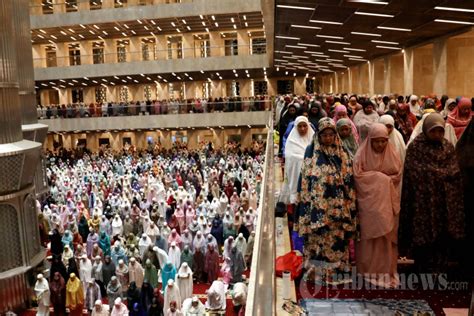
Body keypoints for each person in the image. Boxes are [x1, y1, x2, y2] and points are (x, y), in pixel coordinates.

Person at [399, 113, 465, 273]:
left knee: (442, 236)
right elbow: (413, 171)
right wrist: (438, 174)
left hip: (443, 201)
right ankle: (422, 267)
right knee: (423, 237)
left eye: (440, 131)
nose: (437, 135)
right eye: (433, 131)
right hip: (423, 203)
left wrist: (436, 174)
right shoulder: (416, 147)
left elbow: (454, 170)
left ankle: (440, 267)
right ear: (426, 130)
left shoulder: (447, 147)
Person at [295, 118, 357, 285]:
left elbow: (350, 177)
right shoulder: (311, 151)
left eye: (331, 135)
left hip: (339, 207)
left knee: (337, 239)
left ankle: (337, 272)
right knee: (319, 240)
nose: (328, 138)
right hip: (318, 208)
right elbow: (305, 180)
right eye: (325, 135)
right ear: (319, 136)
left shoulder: (342, 152)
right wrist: (306, 205)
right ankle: (317, 273)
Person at [354, 123, 402, 288]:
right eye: (376, 141)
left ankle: (386, 270)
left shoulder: (393, 154)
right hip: (368, 206)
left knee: (385, 239)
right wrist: (381, 178)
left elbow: (397, 175)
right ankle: (367, 270)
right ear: (370, 141)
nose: (380, 145)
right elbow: (358, 176)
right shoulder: (361, 155)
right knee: (370, 238)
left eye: (383, 141)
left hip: (387, 205)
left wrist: (381, 178)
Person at [280, 116, 315, 205]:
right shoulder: (291, 141)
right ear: (296, 127)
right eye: (300, 126)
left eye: (305, 126)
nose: (303, 129)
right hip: (297, 179)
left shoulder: (314, 139)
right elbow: (290, 157)